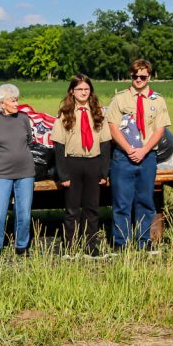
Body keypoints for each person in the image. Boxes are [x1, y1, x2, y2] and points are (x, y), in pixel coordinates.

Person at [106, 59, 171, 251]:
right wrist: (128, 149)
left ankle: (144, 241)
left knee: (145, 200)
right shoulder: (120, 99)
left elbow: (160, 130)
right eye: (135, 76)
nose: (139, 80)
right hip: (123, 156)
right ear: (131, 76)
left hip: (147, 156)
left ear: (149, 76)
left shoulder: (157, 100)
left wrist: (143, 150)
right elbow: (113, 127)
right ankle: (121, 242)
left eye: (143, 76)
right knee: (121, 202)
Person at [52, 75, 111, 258]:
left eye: (86, 89)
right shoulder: (65, 113)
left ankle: (90, 247)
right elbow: (59, 146)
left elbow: (105, 143)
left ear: (90, 91)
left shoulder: (98, 112)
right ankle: (69, 247)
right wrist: (63, 174)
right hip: (73, 163)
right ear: (72, 91)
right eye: (79, 89)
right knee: (72, 209)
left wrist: (104, 171)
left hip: (93, 162)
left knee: (92, 208)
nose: (83, 92)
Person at [0, 83, 35, 258]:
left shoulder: (24, 119)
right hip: (0, 173)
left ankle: (22, 245)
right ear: (2, 103)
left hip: (25, 172)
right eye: (13, 100)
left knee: (24, 212)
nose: (16, 103)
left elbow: (28, 140)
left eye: (17, 100)